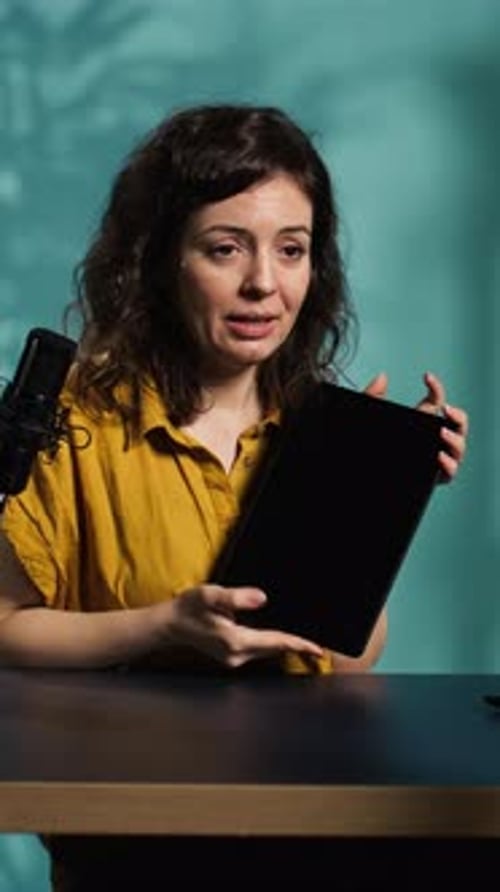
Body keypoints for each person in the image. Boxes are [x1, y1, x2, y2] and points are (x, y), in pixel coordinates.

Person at [0, 103, 468, 888]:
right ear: (160, 260)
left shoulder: (321, 423)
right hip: (132, 825)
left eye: (293, 250)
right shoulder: (71, 423)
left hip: (307, 814)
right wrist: (162, 627)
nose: (264, 284)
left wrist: (374, 498)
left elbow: (345, 665)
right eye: (226, 249)